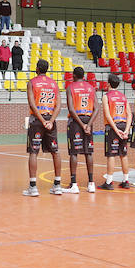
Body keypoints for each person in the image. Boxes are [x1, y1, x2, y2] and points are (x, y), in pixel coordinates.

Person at [23, 59, 61, 196]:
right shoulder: (53, 83)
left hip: (37, 120)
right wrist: (50, 121)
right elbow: (58, 105)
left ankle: (33, 187)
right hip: (50, 120)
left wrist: (41, 120)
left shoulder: (32, 82)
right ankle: (57, 185)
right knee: (55, 151)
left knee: (33, 152)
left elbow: (32, 104)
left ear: (37, 68)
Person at [64, 66, 97, 194]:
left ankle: (74, 184)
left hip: (75, 122)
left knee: (74, 152)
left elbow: (71, 110)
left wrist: (82, 125)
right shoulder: (90, 88)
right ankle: (91, 183)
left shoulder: (70, 88)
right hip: (88, 120)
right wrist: (88, 124)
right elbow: (97, 108)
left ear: (74, 75)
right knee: (89, 152)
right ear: (83, 76)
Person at [99, 73, 131, 190]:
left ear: (108, 84)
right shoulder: (123, 96)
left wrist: (115, 129)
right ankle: (126, 180)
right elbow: (129, 114)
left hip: (113, 127)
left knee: (111, 155)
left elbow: (108, 115)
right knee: (123, 154)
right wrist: (126, 130)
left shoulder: (106, 96)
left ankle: (109, 182)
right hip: (123, 125)